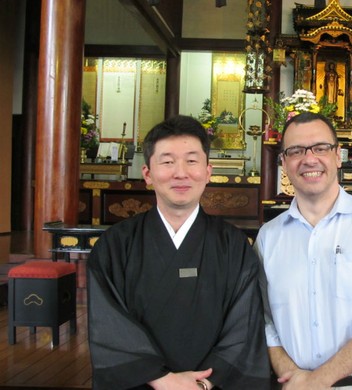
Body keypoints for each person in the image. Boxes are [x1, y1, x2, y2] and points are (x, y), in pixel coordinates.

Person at [87, 115, 270, 390]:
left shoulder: (233, 245)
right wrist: (162, 380)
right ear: (148, 174)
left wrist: (204, 383)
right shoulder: (115, 245)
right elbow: (108, 326)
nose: (181, 173)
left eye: (192, 161)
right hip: (142, 385)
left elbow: (244, 327)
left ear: (208, 172)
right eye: (168, 161)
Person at [254, 112, 352, 389]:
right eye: (296, 151)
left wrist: (318, 380)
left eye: (321, 148)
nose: (309, 158)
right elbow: (264, 320)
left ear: (338, 155)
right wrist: (292, 376)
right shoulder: (269, 237)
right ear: (284, 163)